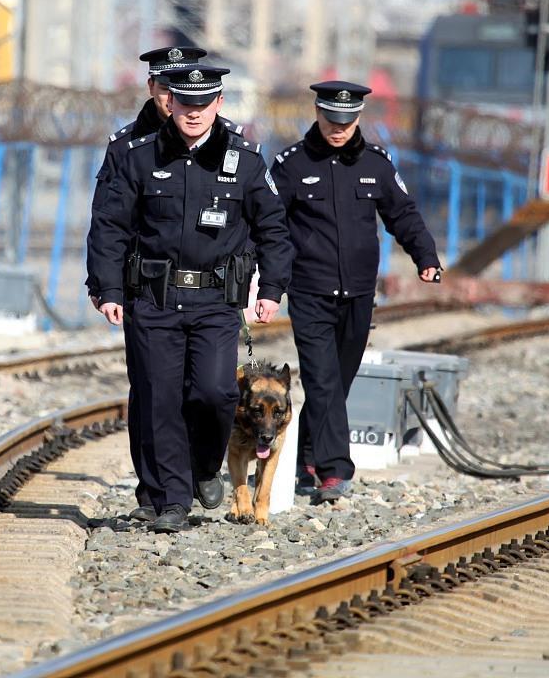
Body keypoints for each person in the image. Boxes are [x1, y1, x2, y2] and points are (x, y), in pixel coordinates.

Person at [87, 65, 292, 533]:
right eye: (185, 103)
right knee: (159, 401)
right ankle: (171, 501)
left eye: (204, 105)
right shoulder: (138, 156)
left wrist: (273, 289)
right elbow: (109, 227)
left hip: (216, 303)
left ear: (218, 104)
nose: (194, 113)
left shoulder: (245, 159)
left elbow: (274, 231)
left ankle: (203, 465)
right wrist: (108, 289)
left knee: (216, 394)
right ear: (170, 103)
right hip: (153, 300)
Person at [270, 81, 441, 505]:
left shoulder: (377, 164)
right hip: (309, 291)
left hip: (359, 295)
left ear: (359, 118)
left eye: (347, 121)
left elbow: (402, 212)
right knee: (322, 379)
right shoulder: (291, 165)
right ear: (317, 112)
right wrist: (265, 279)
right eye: (331, 119)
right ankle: (334, 470)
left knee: (337, 383)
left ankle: (304, 458)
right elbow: (267, 225)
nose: (338, 128)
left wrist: (426, 257)